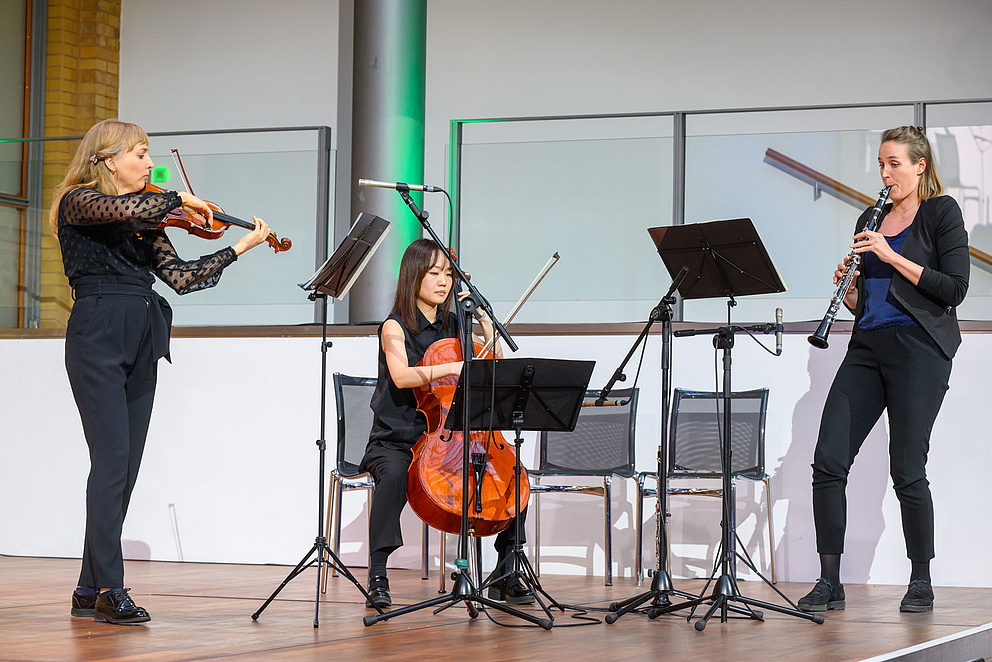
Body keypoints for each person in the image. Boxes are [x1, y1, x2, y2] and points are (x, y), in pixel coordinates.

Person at [53, 119, 272, 625]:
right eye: (140, 154)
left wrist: (238, 248)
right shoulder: (78, 201)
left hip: (142, 333)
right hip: (98, 332)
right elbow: (124, 209)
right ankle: (110, 589)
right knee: (111, 464)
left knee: (124, 469)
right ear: (109, 160)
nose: (149, 163)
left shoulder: (146, 220)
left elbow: (181, 278)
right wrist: (180, 198)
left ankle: (87, 587)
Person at [798, 126, 970, 614]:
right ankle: (829, 581)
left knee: (907, 468)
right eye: (881, 164)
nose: (885, 173)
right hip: (867, 345)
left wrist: (890, 255)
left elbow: (954, 288)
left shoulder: (941, 212)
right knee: (828, 460)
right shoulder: (869, 217)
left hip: (919, 348)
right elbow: (867, 302)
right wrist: (851, 291)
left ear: (920, 165)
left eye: (895, 163)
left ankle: (921, 580)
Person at [359, 238, 533, 608]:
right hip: (398, 438)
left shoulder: (456, 325)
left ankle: (505, 572)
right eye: (435, 273)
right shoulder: (394, 326)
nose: (444, 281)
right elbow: (402, 376)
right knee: (394, 475)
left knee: (512, 478)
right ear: (414, 276)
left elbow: (494, 362)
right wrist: (454, 366)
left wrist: (485, 323)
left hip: (447, 438)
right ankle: (378, 574)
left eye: (449, 274)